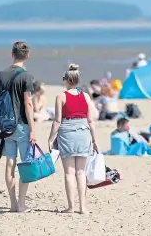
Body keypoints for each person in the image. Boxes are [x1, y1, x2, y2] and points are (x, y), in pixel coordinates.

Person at [48, 63, 98, 214]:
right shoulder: (86, 96)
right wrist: (95, 140)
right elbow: (90, 121)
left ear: (66, 80)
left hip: (67, 135)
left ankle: (71, 207)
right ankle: (83, 207)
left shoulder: (61, 97)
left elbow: (57, 121)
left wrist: (51, 139)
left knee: (69, 173)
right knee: (81, 173)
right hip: (84, 134)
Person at [0, 41, 35, 212]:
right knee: (26, 164)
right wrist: (33, 128)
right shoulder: (26, 76)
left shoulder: (0, 75)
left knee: (10, 162)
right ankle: (22, 204)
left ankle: (13, 204)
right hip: (22, 125)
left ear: (12, 54)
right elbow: (28, 104)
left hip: (5, 126)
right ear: (27, 56)